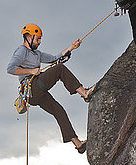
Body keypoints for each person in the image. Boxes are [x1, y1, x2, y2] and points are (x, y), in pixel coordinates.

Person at [7, 23, 95, 154]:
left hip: (36, 94)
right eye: (38, 39)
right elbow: (11, 68)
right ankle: (84, 93)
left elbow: (55, 59)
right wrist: (31, 71)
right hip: (31, 88)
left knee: (59, 110)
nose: (40, 42)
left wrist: (71, 47)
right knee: (59, 69)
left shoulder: (36, 53)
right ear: (29, 37)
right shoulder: (21, 51)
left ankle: (78, 144)